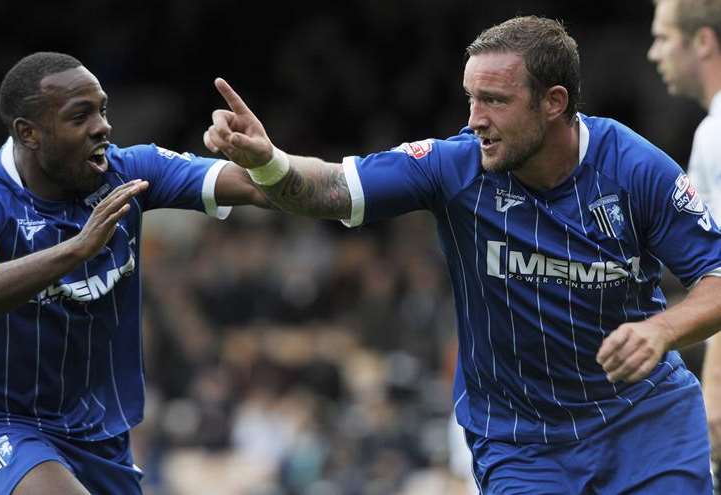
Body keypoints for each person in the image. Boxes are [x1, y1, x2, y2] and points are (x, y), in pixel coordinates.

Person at [205, 16, 721, 493]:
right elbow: (333, 188)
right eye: (470, 99)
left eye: (494, 100)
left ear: (554, 102)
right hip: (523, 442)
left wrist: (661, 330)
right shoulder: (454, 167)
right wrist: (269, 162)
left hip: (643, 425)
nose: (474, 119)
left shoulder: (633, 167)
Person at [0, 52, 266, 494]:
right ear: (28, 133)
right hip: (0, 423)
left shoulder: (126, 172)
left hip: (98, 433)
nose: (103, 126)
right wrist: (76, 250)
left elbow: (256, 187)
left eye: (103, 110)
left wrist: (269, 163)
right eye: (81, 115)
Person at [648, 0, 721, 484]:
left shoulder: (716, 137)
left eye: (663, 37)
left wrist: (714, 393)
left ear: (703, 42)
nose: (654, 53)